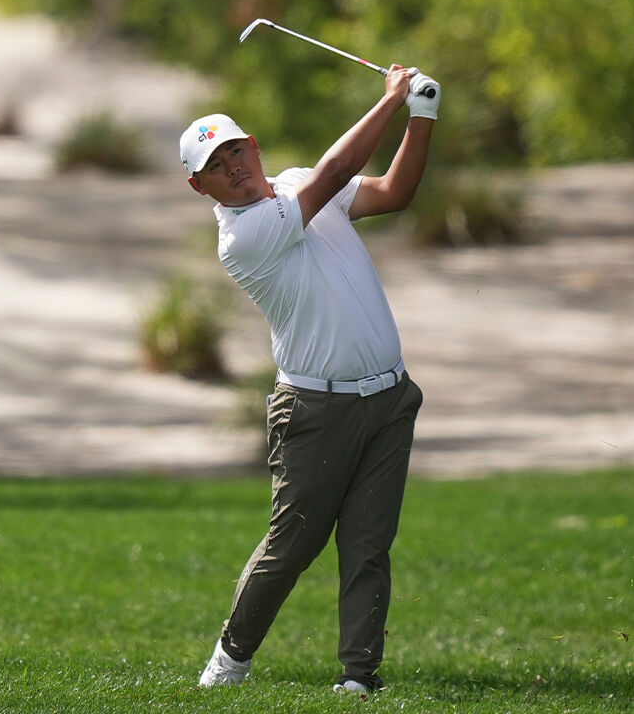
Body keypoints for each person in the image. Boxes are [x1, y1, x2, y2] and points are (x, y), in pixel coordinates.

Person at [180, 64, 440, 694]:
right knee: (293, 544)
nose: (234, 167)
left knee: (369, 544)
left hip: (389, 398)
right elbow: (335, 171)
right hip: (316, 410)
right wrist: (391, 100)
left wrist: (422, 115)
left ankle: (359, 677)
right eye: (217, 164)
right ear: (199, 185)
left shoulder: (295, 184)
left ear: (254, 146)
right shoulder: (243, 235)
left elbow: (392, 192)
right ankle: (230, 659)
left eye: (236, 150)